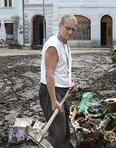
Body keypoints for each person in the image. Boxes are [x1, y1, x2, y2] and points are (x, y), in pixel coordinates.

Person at [39, 15, 78, 148]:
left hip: (62, 91)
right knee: (58, 133)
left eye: (73, 29)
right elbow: (49, 74)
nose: (70, 32)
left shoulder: (65, 44)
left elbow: (63, 69)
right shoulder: (53, 46)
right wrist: (53, 100)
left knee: (66, 132)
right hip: (51, 91)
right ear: (60, 26)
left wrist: (70, 82)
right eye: (67, 28)